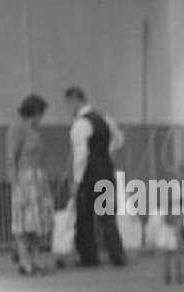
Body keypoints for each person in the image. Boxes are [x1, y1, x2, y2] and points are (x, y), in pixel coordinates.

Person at [64, 86, 126, 267]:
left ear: (74, 100)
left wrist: (76, 181)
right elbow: (119, 139)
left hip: (89, 176)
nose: (68, 108)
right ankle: (117, 255)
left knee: (84, 217)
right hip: (106, 171)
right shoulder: (104, 118)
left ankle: (89, 257)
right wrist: (108, 151)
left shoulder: (80, 124)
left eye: (68, 104)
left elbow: (80, 155)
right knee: (107, 216)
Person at [7, 94, 56, 275]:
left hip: (39, 180)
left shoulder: (35, 130)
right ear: (33, 112)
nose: (41, 118)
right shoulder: (16, 128)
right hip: (24, 180)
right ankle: (24, 261)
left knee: (38, 223)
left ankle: (36, 258)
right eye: (40, 114)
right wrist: (15, 186)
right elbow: (11, 158)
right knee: (22, 223)